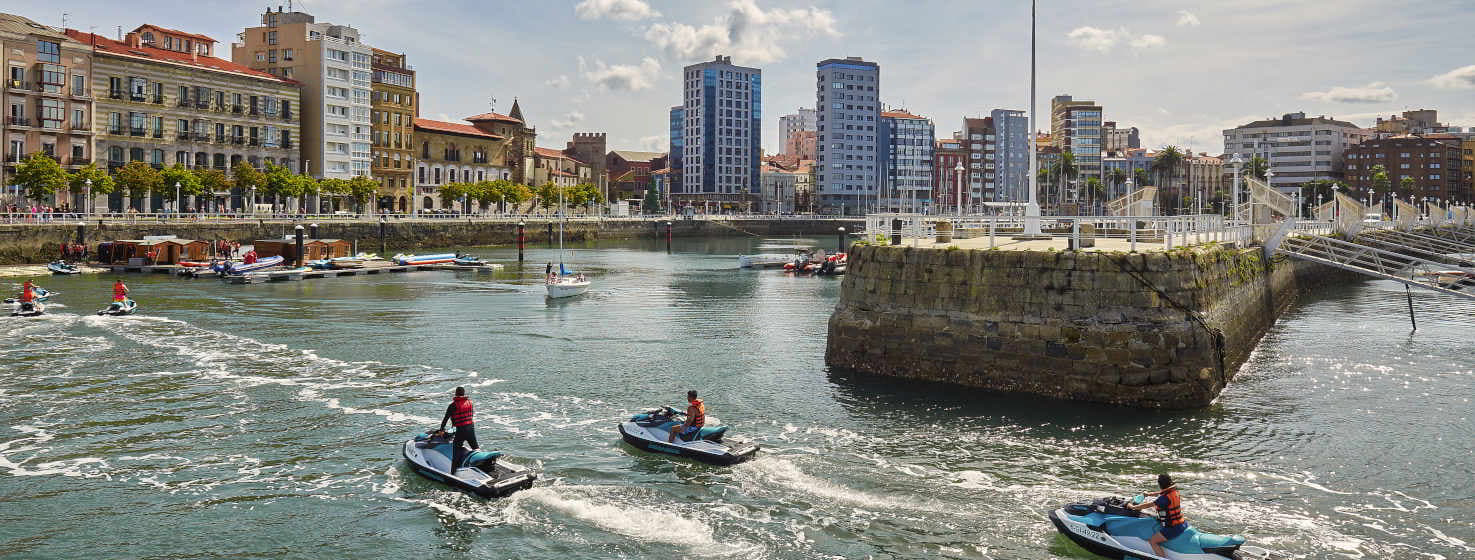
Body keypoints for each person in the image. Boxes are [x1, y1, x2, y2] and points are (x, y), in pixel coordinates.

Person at [1129, 473, 1187, 556]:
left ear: (1160, 484)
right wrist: (1148, 494)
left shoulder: (1164, 499)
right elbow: (1161, 493)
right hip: (1182, 523)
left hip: (1173, 528)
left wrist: (1133, 507)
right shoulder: (1174, 491)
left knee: (1152, 541)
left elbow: (1148, 505)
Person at [438, 387, 478, 474]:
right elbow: (470, 416)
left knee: (456, 451)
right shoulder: (470, 403)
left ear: (455, 394)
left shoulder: (452, 405)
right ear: (464, 394)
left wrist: (441, 430)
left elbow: (445, 419)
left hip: (461, 430)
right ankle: (482, 464)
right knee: (475, 448)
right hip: (471, 429)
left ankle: (453, 474)